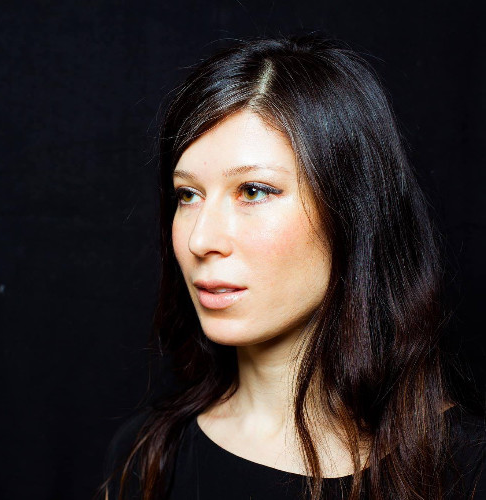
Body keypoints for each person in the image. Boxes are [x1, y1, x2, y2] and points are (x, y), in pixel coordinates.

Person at [100, 34, 486, 500]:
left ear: (352, 212)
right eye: (188, 194)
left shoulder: (468, 468)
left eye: (253, 191)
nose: (201, 240)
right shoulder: (146, 458)